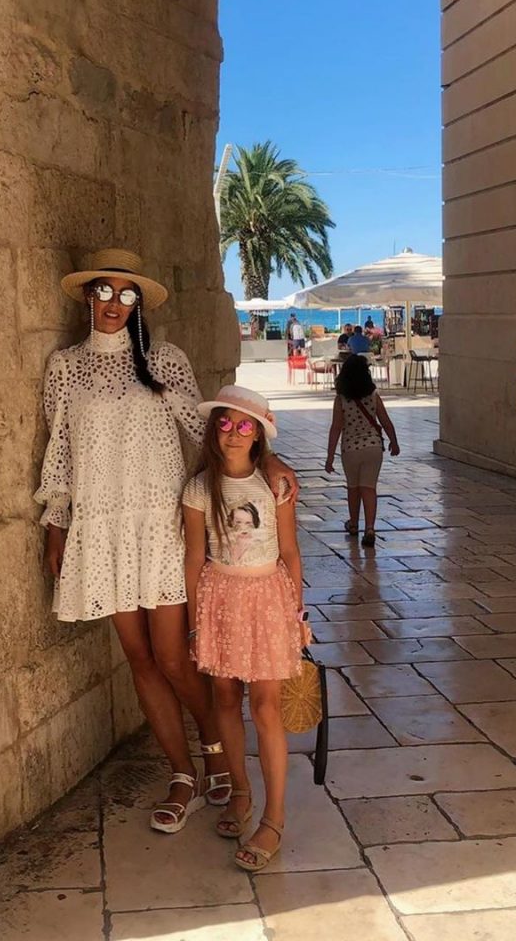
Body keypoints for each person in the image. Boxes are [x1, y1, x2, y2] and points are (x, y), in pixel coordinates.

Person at [35, 248, 298, 834]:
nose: (114, 303)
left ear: (138, 304)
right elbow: (60, 447)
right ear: (88, 297)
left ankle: (217, 754)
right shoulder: (65, 367)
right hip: (102, 527)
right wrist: (57, 525)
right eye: (105, 291)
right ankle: (183, 775)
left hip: (160, 526)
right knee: (140, 659)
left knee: (176, 659)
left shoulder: (164, 359)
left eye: (126, 294)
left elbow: (213, 429)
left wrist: (269, 457)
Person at [182, 386, 310, 872]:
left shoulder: (275, 486)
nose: (233, 433)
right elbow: (195, 558)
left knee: (266, 706)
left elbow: (290, 551)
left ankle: (274, 817)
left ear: (258, 435)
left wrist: (297, 614)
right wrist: (195, 624)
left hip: (267, 598)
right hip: (220, 598)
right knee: (225, 697)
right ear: (213, 429)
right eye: (225, 423)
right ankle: (240, 791)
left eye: (244, 425)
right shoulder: (200, 489)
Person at [325, 355, 400, 548]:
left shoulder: (341, 400)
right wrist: (394, 442)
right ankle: (370, 528)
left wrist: (330, 456)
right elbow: (385, 421)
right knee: (369, 487)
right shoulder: (373, 396)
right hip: (373, 448)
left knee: (353, 488)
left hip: (350, 449)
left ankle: (353, 524)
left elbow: (336, 428)